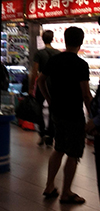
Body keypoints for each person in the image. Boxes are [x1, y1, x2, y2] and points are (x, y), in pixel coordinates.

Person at [38, 26, 92, 205]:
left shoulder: (55, 60)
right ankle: (66, 192)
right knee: (74, 153)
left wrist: (49, 98)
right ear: (81, 42)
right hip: (74, 113)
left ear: (65, 40)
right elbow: (86, 94)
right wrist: (92, 116)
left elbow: (40, 80)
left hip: (57, 112)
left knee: (59, 148)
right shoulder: (81, 65)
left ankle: (49, 186)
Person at [29, 30, 60, 146]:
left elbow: (34, 71)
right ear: (52, 39)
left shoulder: (39, 53)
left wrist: (31, 87)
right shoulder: (58, 53)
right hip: (55, 84)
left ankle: (42, 133)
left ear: (42, 39)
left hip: (42, 83)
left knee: (38, 108)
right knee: (53, 109)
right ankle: (50, 136)